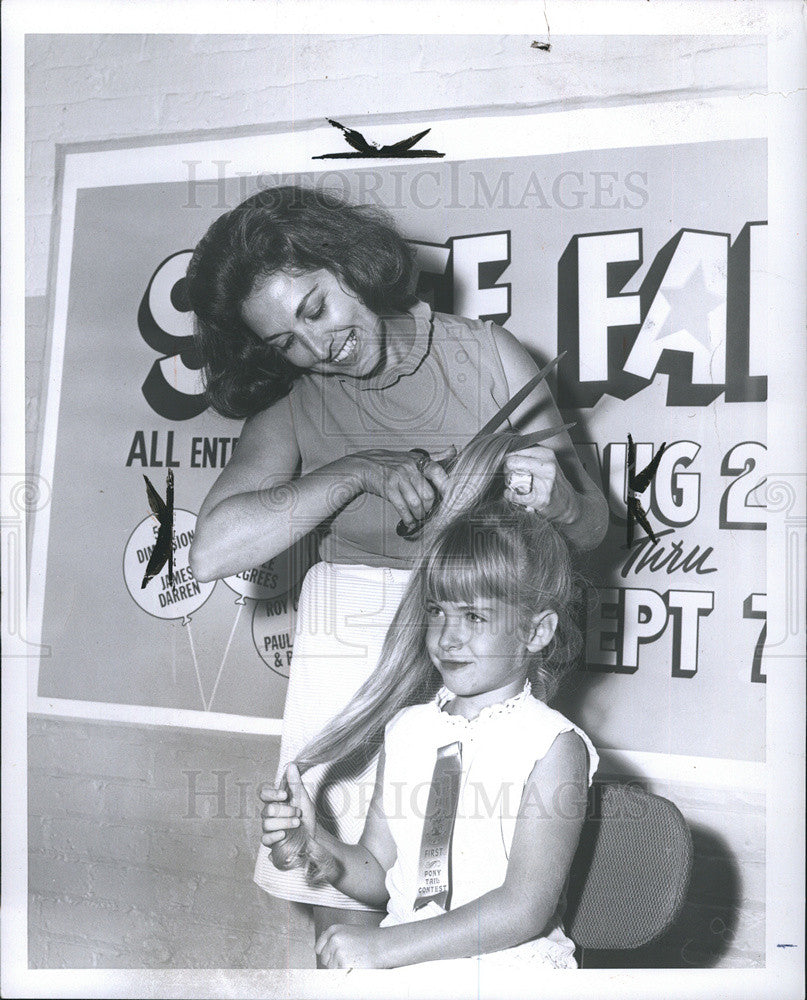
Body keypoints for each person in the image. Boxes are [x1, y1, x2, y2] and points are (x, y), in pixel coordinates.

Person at [185, 185, 608, 935]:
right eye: (285, 341)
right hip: (350, 647)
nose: (317, 349)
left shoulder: (485, 356)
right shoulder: (295, 400)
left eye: (314, 310)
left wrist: (560, 503)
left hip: (472, 636)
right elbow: (215, 547)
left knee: (475, 897)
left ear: (349, 266)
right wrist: (355, 471)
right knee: (340, 911)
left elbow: (592, 530)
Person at [258, 434, 599, 970]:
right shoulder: (407, 730)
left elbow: (522, 910)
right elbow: (376, 873)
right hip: (412, 962)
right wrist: (316, 844)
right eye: (438, 611)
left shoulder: (552, 747)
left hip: (507, 968)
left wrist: (384, 948)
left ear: (537, 632)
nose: (448, 636)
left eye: (475, 617)